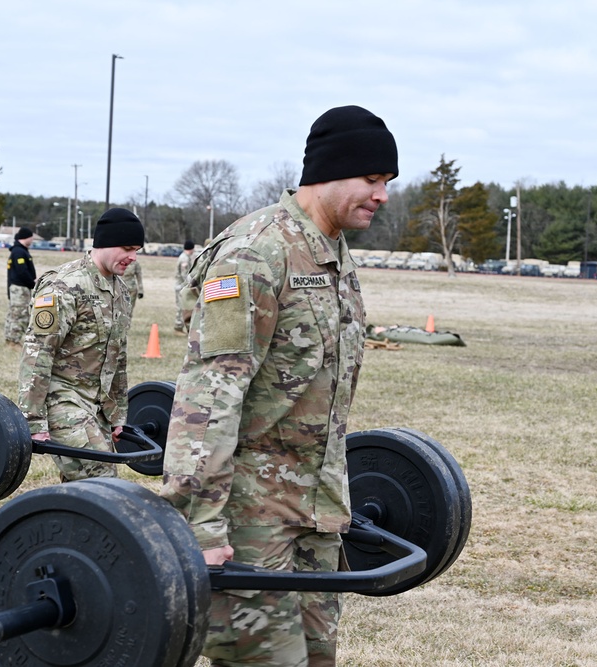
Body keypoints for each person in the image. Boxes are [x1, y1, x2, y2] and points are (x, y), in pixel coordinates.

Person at [160, 105, 398, 666]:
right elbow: (207, 397)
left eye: (386, 182)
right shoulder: (256, 251)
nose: (382, 195)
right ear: (329, 172)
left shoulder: (334, 251)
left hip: (316, 514)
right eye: (372, 179)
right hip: (248, 519)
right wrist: (200, 525)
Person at [18, 208, 145, 482]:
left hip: (96, 406)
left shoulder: (120, 290)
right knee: (100, 480)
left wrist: (118, 416)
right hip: (61, 399)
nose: (133, 257)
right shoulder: (64, 286)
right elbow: (37, 354)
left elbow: (118, 358)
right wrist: (33, 421)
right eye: (127, 248)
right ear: (106, 243)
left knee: (83, 490)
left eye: (137, 250)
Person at [4, 227, 36, 346]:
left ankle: (10, 338)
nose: (32, 240)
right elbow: (21, 271)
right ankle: (14, 341)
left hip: (20, 288)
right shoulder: (19, 252)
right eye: (31, 237)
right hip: (20, 288)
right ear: (27, 237)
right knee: (20, 314)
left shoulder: (20, 250)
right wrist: (32, 283)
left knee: (14, 313)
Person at [173, 239, 195, 333]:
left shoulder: (185, 257)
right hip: (181, 286)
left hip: (181, 285)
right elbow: (184, 274)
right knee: (181, 306)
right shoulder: (184, 259)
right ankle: (178, 327)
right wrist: (190, 283)